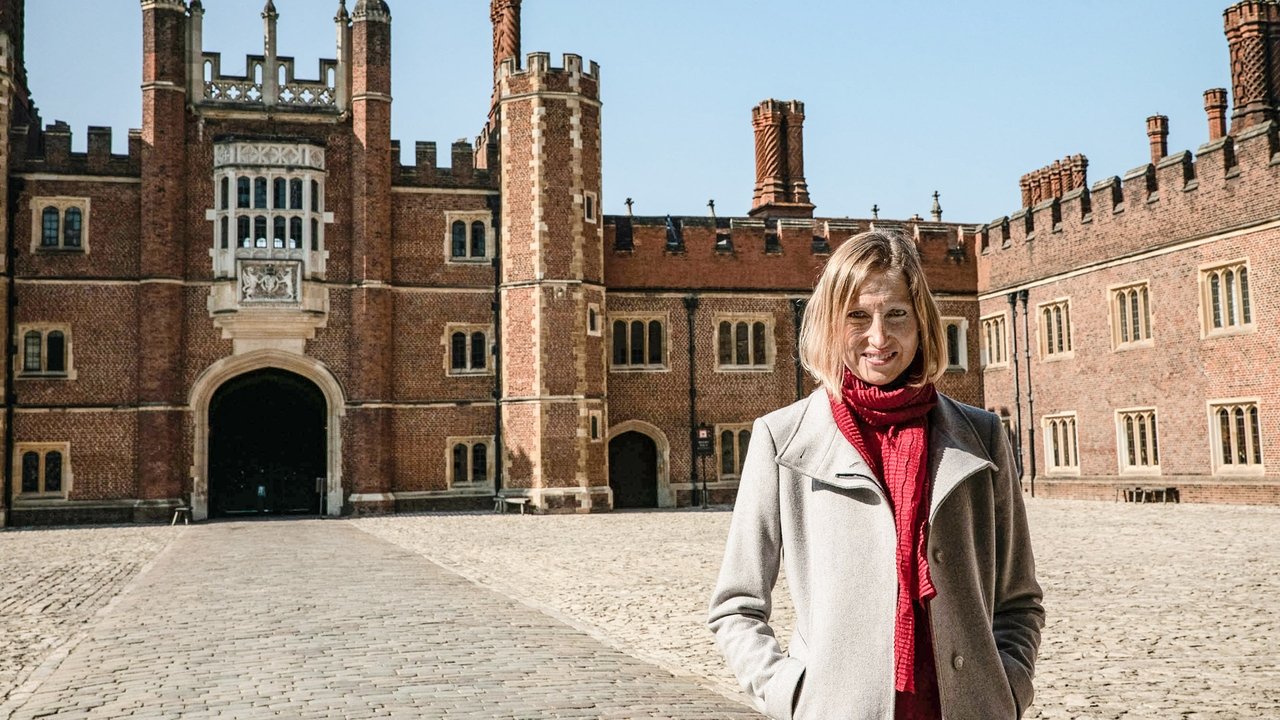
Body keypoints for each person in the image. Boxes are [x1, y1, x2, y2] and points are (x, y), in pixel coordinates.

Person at [708, 230, 1044, 720]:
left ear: (922, 321)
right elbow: (736, 605)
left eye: (896, 315)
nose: (879, 338)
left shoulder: (982, 435)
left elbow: (1019, 600)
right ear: (830, 324)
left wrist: (1009, 686)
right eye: (858, 317)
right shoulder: (781, 440)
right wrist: (791, 694)